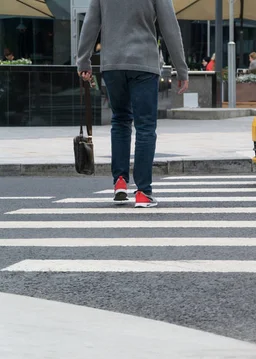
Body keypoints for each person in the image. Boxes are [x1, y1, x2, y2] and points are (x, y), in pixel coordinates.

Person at [77, 0, 188, 208]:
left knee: (120, 120)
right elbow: (169, 27)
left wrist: (83, 60)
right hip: (144, 64)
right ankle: (143, 192)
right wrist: (181, 69)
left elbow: (91, 23)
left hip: (113, 64)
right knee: (145, 126)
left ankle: (120, 181)